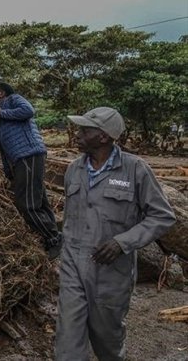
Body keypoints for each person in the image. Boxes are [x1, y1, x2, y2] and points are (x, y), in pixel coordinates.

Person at [56, 107, 175, 361]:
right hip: (72, 265)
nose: (77, 134)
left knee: (107, 340)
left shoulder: (135, 170)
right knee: (68, 341)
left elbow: (162, 216)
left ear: (104, 137)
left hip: (111, 271)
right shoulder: (74, 170)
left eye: (84, 130)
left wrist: (123, 243)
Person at [0, 82, 63, 258]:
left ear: (1, 93)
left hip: (28, 153)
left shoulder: (13, 99)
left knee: (26, 204)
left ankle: (54, 238)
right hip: (20, 159)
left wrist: (2, 112)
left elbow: (28, 111)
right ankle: (52, 239)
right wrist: (8, 171)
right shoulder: (0, 120)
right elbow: (3, 148)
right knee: (40, 200)